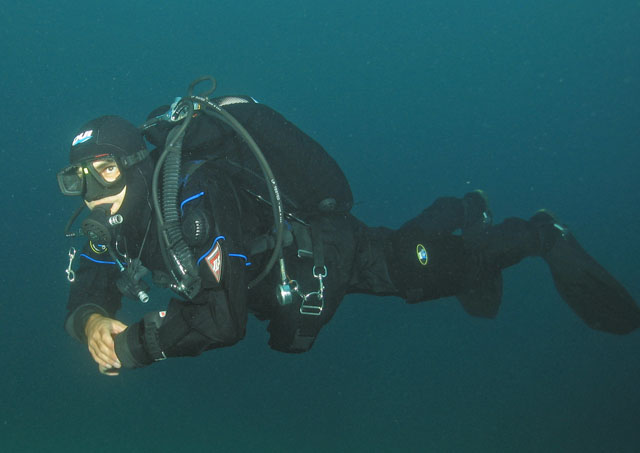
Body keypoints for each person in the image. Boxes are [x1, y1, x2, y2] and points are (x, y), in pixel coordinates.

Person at [58, 78, 639, 376]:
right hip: (284, 274)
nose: (95, 192)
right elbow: (90, 283)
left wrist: (131, 348)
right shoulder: (111, 222)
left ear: (137, 164)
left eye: (106, 170)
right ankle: (465, 209)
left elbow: (222, 318)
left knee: (417, 269)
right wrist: (90, 323)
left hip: (328, 252)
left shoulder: (195, 197)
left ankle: (537, 234)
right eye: (77, 179)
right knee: (407, 246)